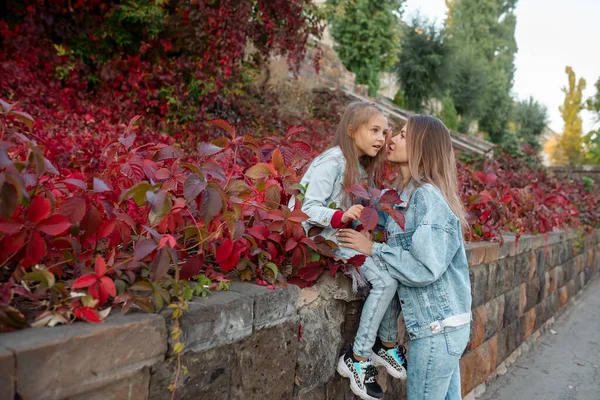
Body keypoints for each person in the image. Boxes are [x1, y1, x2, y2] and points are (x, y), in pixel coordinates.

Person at [338, 114, 472, 400]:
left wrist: (371, 248)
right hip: (444, 327)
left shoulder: (427, 196)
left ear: (420, 147)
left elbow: (424, 268)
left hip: (437, 331)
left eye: (402, 135)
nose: (392, 139)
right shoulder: (407, 194)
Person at [294, 101, 407, 400]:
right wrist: (339, 217)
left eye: (384, 132)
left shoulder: (360, 167)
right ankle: (357, 359)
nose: (381, 138)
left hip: (343, 236)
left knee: (393, 271)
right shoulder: (331, 162)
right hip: (325, 239)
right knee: (385, 281)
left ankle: (384, 343)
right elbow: (304, 208)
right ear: (351, 129)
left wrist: (363, 225)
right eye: (374, 130)